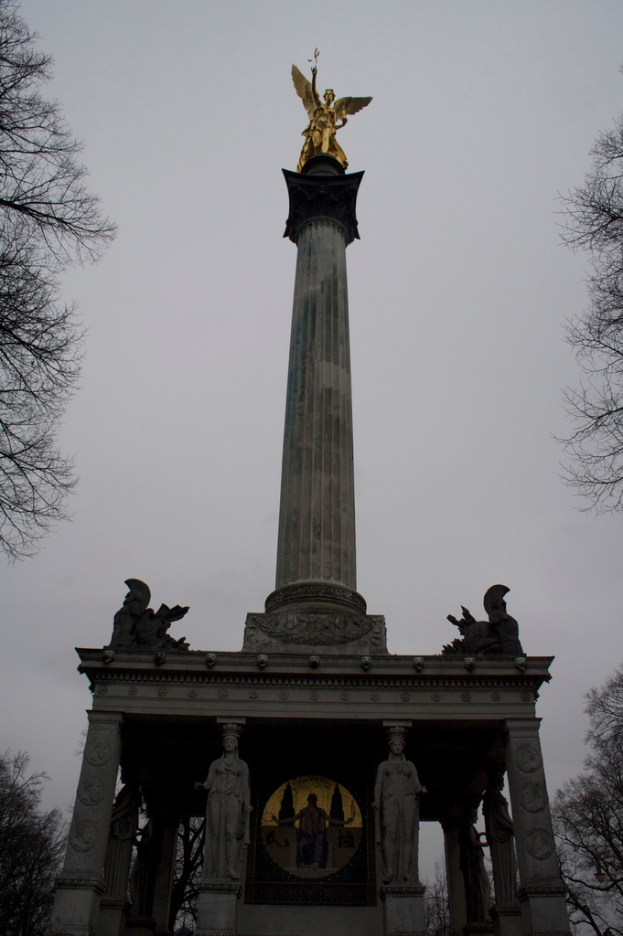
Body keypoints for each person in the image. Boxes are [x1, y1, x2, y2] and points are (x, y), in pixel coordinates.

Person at [195, 730, 251, 880]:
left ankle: (230, 868)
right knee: (215, 833)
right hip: (216, 797)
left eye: (231, 742)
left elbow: (245, 787)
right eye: (226, 742)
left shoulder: (242, 765)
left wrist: (247, 803)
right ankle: (213, 869)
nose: (228, 744)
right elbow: (208, 782)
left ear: (236, 745)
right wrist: (202, 786)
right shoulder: (216, 764)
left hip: (234, 798)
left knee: (231, 832)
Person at [374, 732, 426, 883]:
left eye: (400, 744)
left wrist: (420, 789)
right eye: (395, 744)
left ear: (403, 747)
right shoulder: (384, 766)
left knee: (407, 835)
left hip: (407, 799)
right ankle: (390, 871)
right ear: (390, 747)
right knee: (390, 834)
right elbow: (379, 784)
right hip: (390, 800)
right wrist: (377, 800)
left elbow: (416, 783)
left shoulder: (409, 766)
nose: (397, 746)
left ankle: (406, 872)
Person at [271, 792, 353, 869]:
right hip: (305, 834)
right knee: (302, 842)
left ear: (316, 800)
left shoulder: (320, 811)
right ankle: (303, 862)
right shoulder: (304, 811)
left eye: (314, 799)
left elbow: (331, 820)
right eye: (310, 799)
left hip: (317, 834)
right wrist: (278, 821)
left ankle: (317, 861)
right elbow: (292, 819)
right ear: (308, 800)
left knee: (320, 839)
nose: (312, 801)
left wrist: (345, 822)